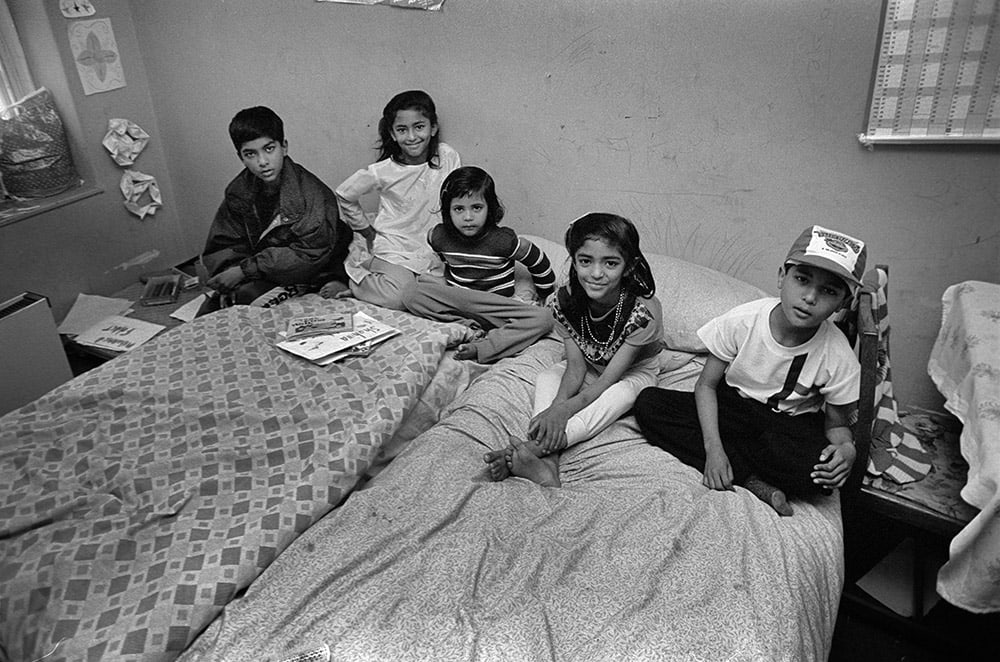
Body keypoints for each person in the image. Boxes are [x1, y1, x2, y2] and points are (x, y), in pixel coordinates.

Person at [633, 225, 867, 516]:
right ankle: (752, 479)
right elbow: (705, 386)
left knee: (819, 476)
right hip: (734, 407)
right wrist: (713, 449)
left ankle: (745, 464)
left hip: (787, 425)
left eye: (828, 291)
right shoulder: (744, 320)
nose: (810, 297)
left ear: (842, 304)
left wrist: (846, 450)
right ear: (782, 277)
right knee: (648, 405)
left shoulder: (838, 354)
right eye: (802, 280)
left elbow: (836, 426)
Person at [484, 212, 664, 486]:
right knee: (547, 378)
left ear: (629, 266)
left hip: (629, 372)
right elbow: (576, 368)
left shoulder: (643, 311)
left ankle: (532, 450)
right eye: (585, 261)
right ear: (575, 261)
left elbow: (607, 380)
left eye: (611, 263)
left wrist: (565, 411)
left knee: (621, 394)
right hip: (590, 363)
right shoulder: (562, 302)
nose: (596, 273)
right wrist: (557, 409)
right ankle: (547, 465)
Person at [199, 106, 351, 315]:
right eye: (250, 154)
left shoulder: (312, 194)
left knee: (248, 300)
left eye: (269, 149)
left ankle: (337, 279)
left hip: (305, 269)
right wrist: (229, 274)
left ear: (284, 147)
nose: (262, 162)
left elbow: (308, 255)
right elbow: (224, 241)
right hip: (262, 268)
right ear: (240, 157)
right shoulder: (238, 191)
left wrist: (244, 271)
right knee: (212, 309)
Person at [319, 90, 461, 310]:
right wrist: (366, 230)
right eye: (402, 130)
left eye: (419, 127)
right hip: (394, 246)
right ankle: (356, 283)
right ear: (393, 134)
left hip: (432, 246)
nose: (412, 137)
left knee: (441, 294)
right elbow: (345, 194)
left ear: (433, 128)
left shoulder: (446, 156)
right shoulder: (384, 170)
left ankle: (388, 283)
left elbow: (456, 196)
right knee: (400, 297)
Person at [402, 166, 556, 363]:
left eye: (476, 208)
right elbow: (445, 263)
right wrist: (442, 283)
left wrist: (545, 293)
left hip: (494, 307)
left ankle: (484, 346)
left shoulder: (504, 240)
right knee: (410, 293)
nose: (468, 217)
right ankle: (468, 328)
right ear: (448, 211)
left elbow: (538, 260)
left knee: (543, 318)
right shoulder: (438, 236)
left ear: (490, 208)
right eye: (459, 209)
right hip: (460, 302)